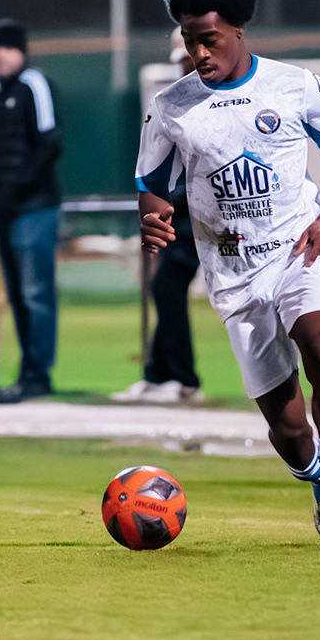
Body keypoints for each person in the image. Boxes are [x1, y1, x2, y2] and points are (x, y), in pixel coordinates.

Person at [135, 0, 320, 549]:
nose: (198, 53)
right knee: (288, 427)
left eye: (208, 39)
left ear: (238, 28)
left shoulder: (295, 86)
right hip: (233, 275)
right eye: (189, 41)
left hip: (301, 249)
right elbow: (152, 186)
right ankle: (318, 480)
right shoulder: (171, 106)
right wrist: (153, 218)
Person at [116, 28, 204, 405]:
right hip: (179, 216)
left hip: (200, 217)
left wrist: (173, 198)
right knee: (164, 289)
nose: (185, 66)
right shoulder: (178, 101)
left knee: (167, 288)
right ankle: (159, 375)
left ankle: (184, 380)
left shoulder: (211, 100)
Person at [0, 18, 62, 403]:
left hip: (34, 208)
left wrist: (17, 189)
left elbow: (49, 143)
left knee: (35, 295)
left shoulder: (34, 84)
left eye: (8, 48)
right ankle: (27, 371)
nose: (1, 56)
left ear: (22, 52)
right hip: (6, 212)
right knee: (17, 295)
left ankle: (37, 374)